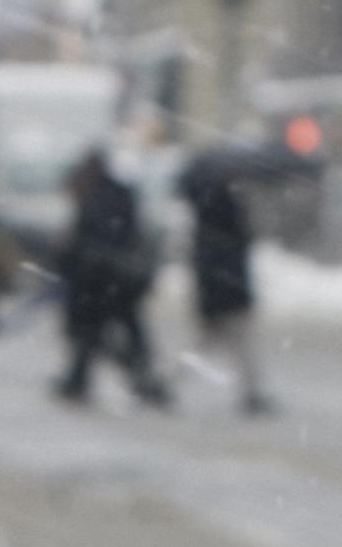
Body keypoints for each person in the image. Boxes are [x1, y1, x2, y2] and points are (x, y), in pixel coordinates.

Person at [52, 149, 170, 408]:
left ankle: (132, 380)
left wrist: (74, 257)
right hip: (116, 280)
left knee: (94, 335)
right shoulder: (115, 194)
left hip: (102, 281)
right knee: (111, 335)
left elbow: (93, 239)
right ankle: (137, 379)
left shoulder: (97, 198)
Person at [181, 162, 272, 414]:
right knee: (237, 346)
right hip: (228, 295)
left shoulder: (206, 223)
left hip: (220, 295)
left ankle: (171, 382)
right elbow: (225, 262)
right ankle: (252, 393)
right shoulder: (224, 223)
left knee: (207, 345)